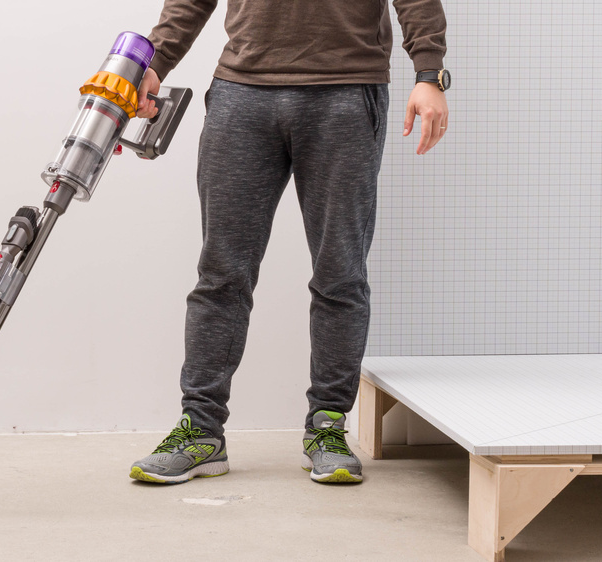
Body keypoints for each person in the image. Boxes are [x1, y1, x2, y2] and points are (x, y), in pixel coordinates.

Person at [129, 0, 449, 484]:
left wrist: (429, 73)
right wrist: (155, 62)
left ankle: (327, 428)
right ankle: (200, 430)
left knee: (340, 274)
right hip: (242, 93)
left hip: (345, 91)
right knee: (221, 275)